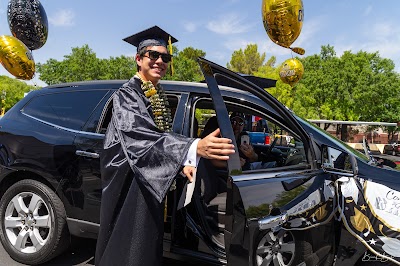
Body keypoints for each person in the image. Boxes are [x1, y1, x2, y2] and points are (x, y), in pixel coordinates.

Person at [95, 26, 235, 266]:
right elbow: (140, 136)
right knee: (131, 247)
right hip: (132, 186)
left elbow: (159, 136)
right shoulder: (127, 95)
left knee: (147, 244)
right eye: (153, 55)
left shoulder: (156, 93)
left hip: (147, 181)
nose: (160, 61)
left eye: (165, 57)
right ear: (138, 59)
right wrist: (194, 147)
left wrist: (181, 164)